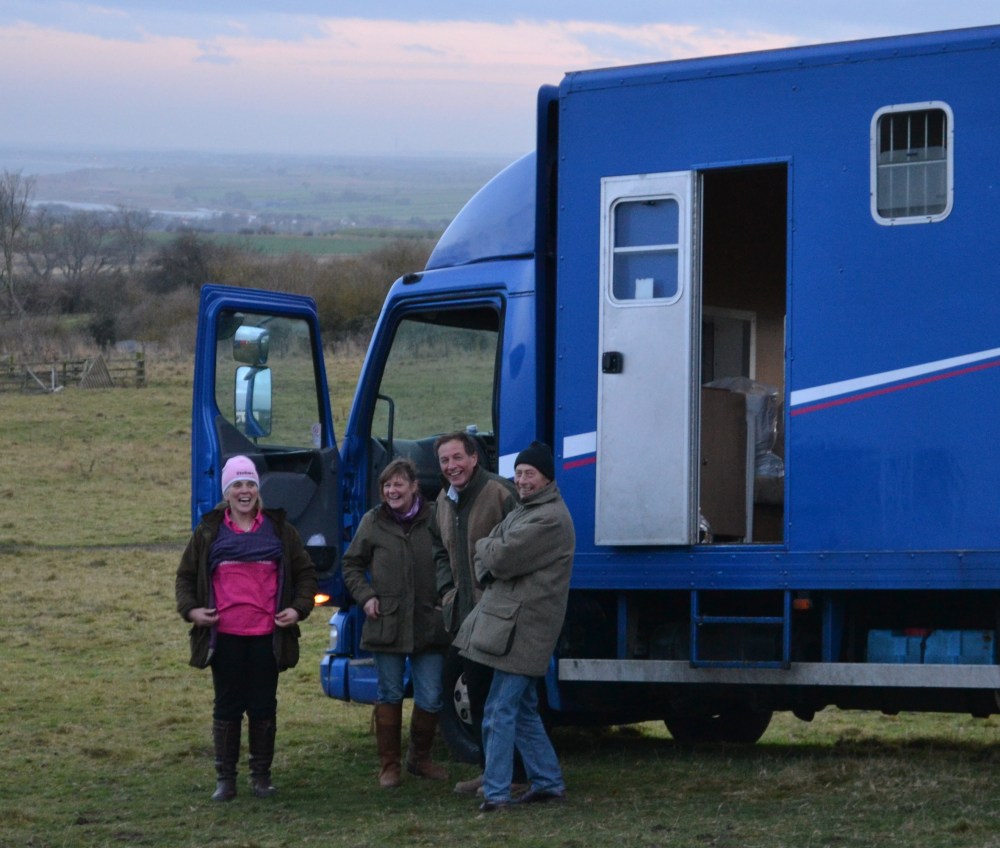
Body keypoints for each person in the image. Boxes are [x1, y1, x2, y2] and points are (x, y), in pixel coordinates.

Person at [175, 455, 317, 802]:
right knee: (227, 706)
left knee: (263, 705)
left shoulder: (280, 530)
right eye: (237, 485)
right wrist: (192, 611)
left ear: (258, 489)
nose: (244, 491)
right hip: (223, 637)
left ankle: (261, 777)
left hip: (267, 637)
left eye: (250, 484)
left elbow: (306, 575)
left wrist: (297, 610)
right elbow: (185, 577)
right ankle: (226, 779)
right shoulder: (209, 532)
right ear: (227, 491)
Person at [453, 441, 576, 812]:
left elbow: (499, 556)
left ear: (547, 478)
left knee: (498, 711)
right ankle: (548, 783)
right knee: (521, 711)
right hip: (511, 626)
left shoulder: (548, 518)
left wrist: (487, 549)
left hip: (523, 630)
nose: (522, 481)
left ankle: (496, 794)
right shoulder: (527, 511)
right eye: (519, 473)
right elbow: (490, 549)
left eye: (530, 474)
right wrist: (489, 550)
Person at [342, 458, 451, 789]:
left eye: (398, 484)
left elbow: (454, 557)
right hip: (386, 623)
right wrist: (366, 597)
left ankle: (419, 759)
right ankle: (389, 765)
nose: (392, 490)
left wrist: (447, 595)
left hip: (429, 622)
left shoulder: (436, 518)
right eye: (387, 485)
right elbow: (350, 565)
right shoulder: (372, 522)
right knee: (389, 692)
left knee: (431, 696)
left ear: (414, 486)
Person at [430, 430, 518, 795]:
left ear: (474, 458)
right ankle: (490, 773)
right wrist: (447, 591)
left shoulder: (500, 493)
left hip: (499, 616)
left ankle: (516, 776)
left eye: (457, 458)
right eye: (444, 461)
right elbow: (438, 549)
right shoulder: (443, 500)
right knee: (479, 699)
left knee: (508, 704)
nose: (452, 466)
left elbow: (521, 547)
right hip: (464, 619)